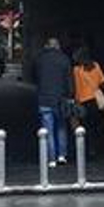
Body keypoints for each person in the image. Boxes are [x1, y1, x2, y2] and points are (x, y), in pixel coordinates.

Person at [32, 37, 73, 165]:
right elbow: (69, 80)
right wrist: (71, 96)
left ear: (47, 46)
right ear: (58, 46)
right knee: (61, 127)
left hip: (45, 98)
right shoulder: (64, 59)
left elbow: (34, 77)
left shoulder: (40, 59)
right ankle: (62, 155)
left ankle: (51, 158)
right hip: (60, 98)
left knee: (48, 129)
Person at [72, 47, 104, 153]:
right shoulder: (96, 65)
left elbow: (76, 86)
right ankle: (98, 146)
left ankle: (88, 148)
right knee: (96, 125)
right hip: (96, 99)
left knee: (86, 126)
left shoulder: (77, 70)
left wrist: (76, 99)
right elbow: (102, 81)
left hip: (83, 100)